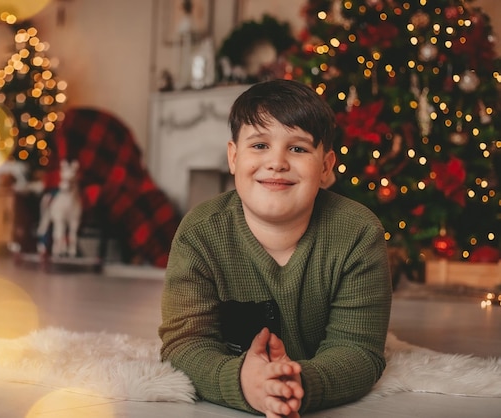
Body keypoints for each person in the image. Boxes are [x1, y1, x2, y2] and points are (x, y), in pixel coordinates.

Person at [158, 79, 392, 417]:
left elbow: (358, 350)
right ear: (234, 157)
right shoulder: (200, 234)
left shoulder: (358, 234)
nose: (277, 162)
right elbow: (184, 344)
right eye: (259, 146)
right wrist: (242, 381)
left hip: (308, 374)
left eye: (297, 148)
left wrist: (296, 384)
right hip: (238, 371)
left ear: (326, 167)